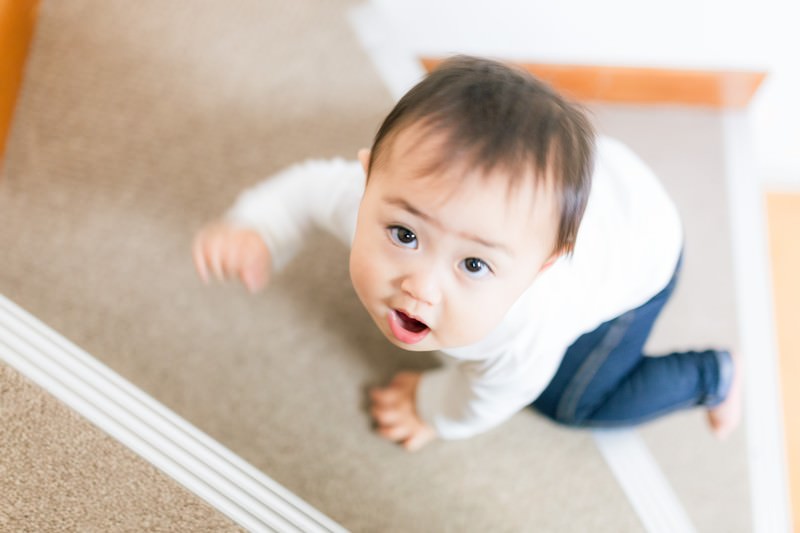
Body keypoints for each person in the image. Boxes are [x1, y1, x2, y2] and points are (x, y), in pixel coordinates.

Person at [192, 56, 742, 451]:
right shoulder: (385, 199)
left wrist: (431, 408)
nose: (420, 287)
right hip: (602, 186)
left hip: (643, 258)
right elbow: (310, 189)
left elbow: (480, 403)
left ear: (542, 265)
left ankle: (709, 377)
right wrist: (258, 226)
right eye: (405, 236)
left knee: (570, 403)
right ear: (366, 185)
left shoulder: (525, 336)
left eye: (473, 265)